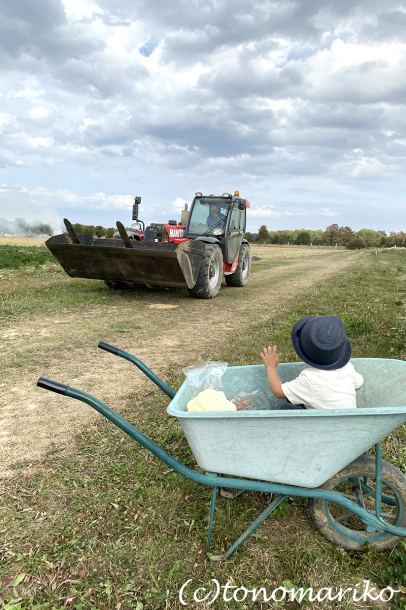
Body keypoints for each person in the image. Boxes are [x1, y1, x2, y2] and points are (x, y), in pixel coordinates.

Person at [260, 315, 364, 410]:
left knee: (282, 406)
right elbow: (358, 385)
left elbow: (278, 391)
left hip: (322, 427)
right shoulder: (348, 367)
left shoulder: (309, 378)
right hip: (348, 423)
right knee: (297, 396)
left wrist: (270, 367)